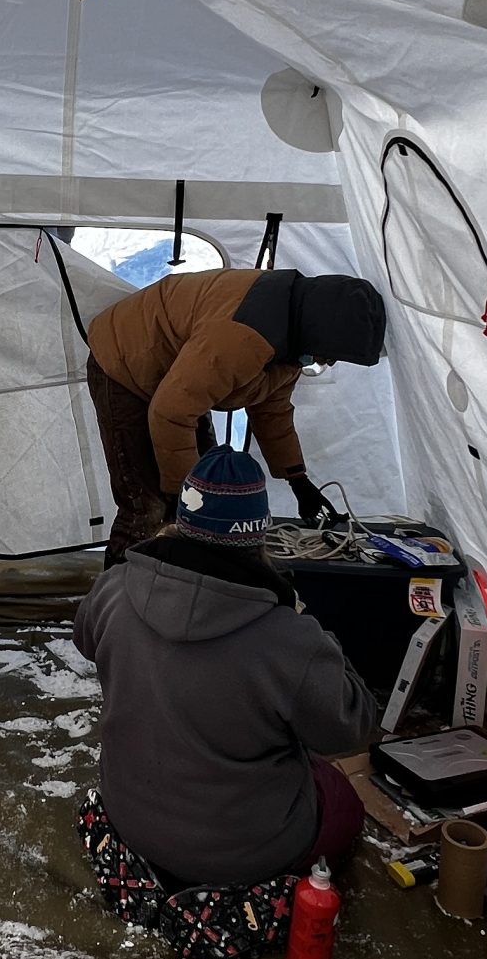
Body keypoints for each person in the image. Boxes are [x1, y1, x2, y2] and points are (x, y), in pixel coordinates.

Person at [71, 446, 374, 890]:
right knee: (343, 801)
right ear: (259, 533)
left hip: (129, 820)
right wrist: (316, 634)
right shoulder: (288, 637)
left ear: (182, 519)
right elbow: (351, 727)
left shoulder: (115, 586)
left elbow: (85, 639)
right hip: (239, 856)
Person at [85, 264, 385, 563]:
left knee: (208, 495)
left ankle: (186, 589)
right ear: (320, 329)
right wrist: (183, 495)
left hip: (176, 378)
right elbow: (171, 414)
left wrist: (299, 482)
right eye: (331, 353)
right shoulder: (241, 335)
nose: (329, 362)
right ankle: (116, 598)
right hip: (124, 360)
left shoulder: (291, 338)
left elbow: (272, 412)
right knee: (148, 506)